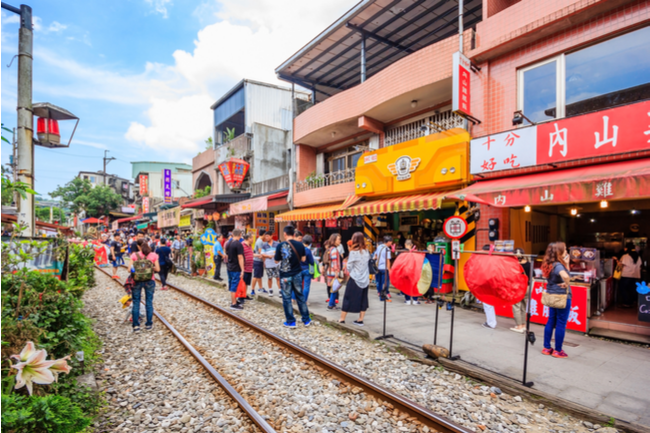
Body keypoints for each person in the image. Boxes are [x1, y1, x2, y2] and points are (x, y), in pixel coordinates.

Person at [274, 226, 311, 328]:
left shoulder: (280, 245)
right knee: (300, 296)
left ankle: (291, 321)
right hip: (297, 274)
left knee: (287, 299)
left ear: (285, 234)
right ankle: (306, 320)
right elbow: (303, 259)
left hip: (285, 275)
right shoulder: (300, 245)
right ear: (294, 234)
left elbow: (276, 261)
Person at [541, 241, 572, 358]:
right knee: (560, 323)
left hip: (552, 296)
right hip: (562, 297)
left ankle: (546, 347)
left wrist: (567, 264)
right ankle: (558, 350)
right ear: (559, 252)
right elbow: (565, 276)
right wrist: (567, 283)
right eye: (565, 249)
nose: (566, 251)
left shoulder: (549, 264)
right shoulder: (558, 265)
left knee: (551, 321)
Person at [339, 232, 370, 326]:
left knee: (348, 297)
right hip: (365, 279)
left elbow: (349, 266)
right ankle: (360, 320)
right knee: (363, 299)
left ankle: (342, 319)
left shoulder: (353, 252)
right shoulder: (366, 251)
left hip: (355, 278)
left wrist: (352, 272)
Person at [130, 239, 160, 333]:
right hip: (150, 280)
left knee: (136, 302)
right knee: (149, 302)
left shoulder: (134, 255)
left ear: (138, 246)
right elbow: (158, 269)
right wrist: (150, 268)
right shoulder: (153, 255)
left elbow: (129, 269)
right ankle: (149, 324)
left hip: (137, 281)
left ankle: (136, 326)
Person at [510, 248, 531, 333]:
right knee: (523, 307)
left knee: (516, 306)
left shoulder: (514, 265)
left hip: (518, 288)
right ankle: (523, 325)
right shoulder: (529, 264)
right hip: (527, 287)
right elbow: (532, 276)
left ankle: (519, 326)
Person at [226, 229, 245, 311]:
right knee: (234, 285)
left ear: (233, 234)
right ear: (240, 235)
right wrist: (243, 269)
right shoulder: (238, 244)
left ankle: (234, 301)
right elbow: (240, 257)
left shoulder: (228, 243)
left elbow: (227, 254)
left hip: (229, 266)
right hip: (236, 268)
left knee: (231, 284)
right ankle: (233, 303)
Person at [620, 242, 642, 308]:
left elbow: (620, 265)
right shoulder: (638, 257)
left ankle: (626, 303)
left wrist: (616, 260)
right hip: (635, 275)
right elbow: (640, 265)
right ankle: (631, 302)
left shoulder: (625, 256)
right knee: (632, 289)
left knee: (623, 289)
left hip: (626, 275)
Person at [324, 234, 343, 310]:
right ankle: (331, 304)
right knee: (334, 288)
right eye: (338, 239)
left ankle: (332, 304)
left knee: (333, 288)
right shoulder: (334, 250)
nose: (340, 241)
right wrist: (336, 272)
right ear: (334, 240)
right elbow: (335, 262)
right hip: (333, 272)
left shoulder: (330, 249)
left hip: (330, 271)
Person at [374, 235, 393, 302]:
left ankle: (380, 295)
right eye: (391, 242)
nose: (391, 243)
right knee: (385, 283)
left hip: (378, 268)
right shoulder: (387, 249)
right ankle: (383, 297)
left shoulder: (379, 247)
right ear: (388, 242)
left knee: (379, 283)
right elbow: (388, 260)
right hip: (384, 268)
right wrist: (389, 269)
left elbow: (375, 256)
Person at [403, 239, 421, 305]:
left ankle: (407, 300)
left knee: (406, 285)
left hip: (405, 270)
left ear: (405, 244)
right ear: (412, 245)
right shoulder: (415, 252)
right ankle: (415, 300)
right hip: (414, 270)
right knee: (415, 285)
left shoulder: (402, 252)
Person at [300, 234, 315, 303]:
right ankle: (304, 300)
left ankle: (294, 299)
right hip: (306, 269)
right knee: (306, 286)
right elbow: (311, 261)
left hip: (299, 269)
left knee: (298, 285)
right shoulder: (308, 250)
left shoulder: (298, 249)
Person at [252, 230, 266, 295]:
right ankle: (252, 289)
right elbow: (261, 252)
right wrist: (264, 261)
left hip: (258, 260)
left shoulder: (259, 240)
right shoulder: (260, 241)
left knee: (259, 275)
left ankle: (260, 288)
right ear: (264, 234)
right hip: (258, 260)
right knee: (256, 275)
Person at [241, 233, 254, 301]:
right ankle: (241, 296)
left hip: (250, 268)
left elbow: (251, 254)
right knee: (243, 282)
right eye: (252, 238)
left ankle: (244, 294)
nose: (253, 239)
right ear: (249, 238)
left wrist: (257, 255)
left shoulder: (250, 245)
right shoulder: (242, 245)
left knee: (247, 283)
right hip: (244, 268)